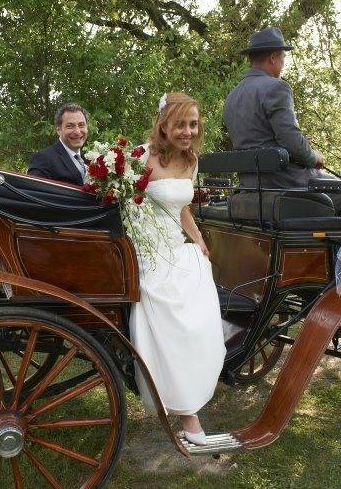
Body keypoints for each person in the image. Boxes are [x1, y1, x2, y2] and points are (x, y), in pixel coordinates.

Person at [130, 92, 226, 446]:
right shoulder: (140, 157)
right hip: (146, 249)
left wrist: (198, 239)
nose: (188, 131)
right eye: (181, 124)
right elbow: (126, 205)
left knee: (199, 293)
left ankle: (191, 394)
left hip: (175, 246)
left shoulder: (191, 160)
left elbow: (183, 209)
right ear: (164, 125)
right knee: (173, 307)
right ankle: (188, 417)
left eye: (193, 124)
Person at [223, 27, 341, 218]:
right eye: (283, 57)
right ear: (273, 58)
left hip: (251, 184)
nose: (283, 63)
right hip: (283, 182)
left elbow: (260, 138)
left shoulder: (232, 96)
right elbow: (291, 140)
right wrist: (314, 157)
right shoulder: (277, 87)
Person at [27, 103, 90, 185]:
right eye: (70, 126)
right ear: (58, 130)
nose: (77, 132)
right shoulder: (43, 159)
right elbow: (34, 193)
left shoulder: (90, 160)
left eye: (81, 125)